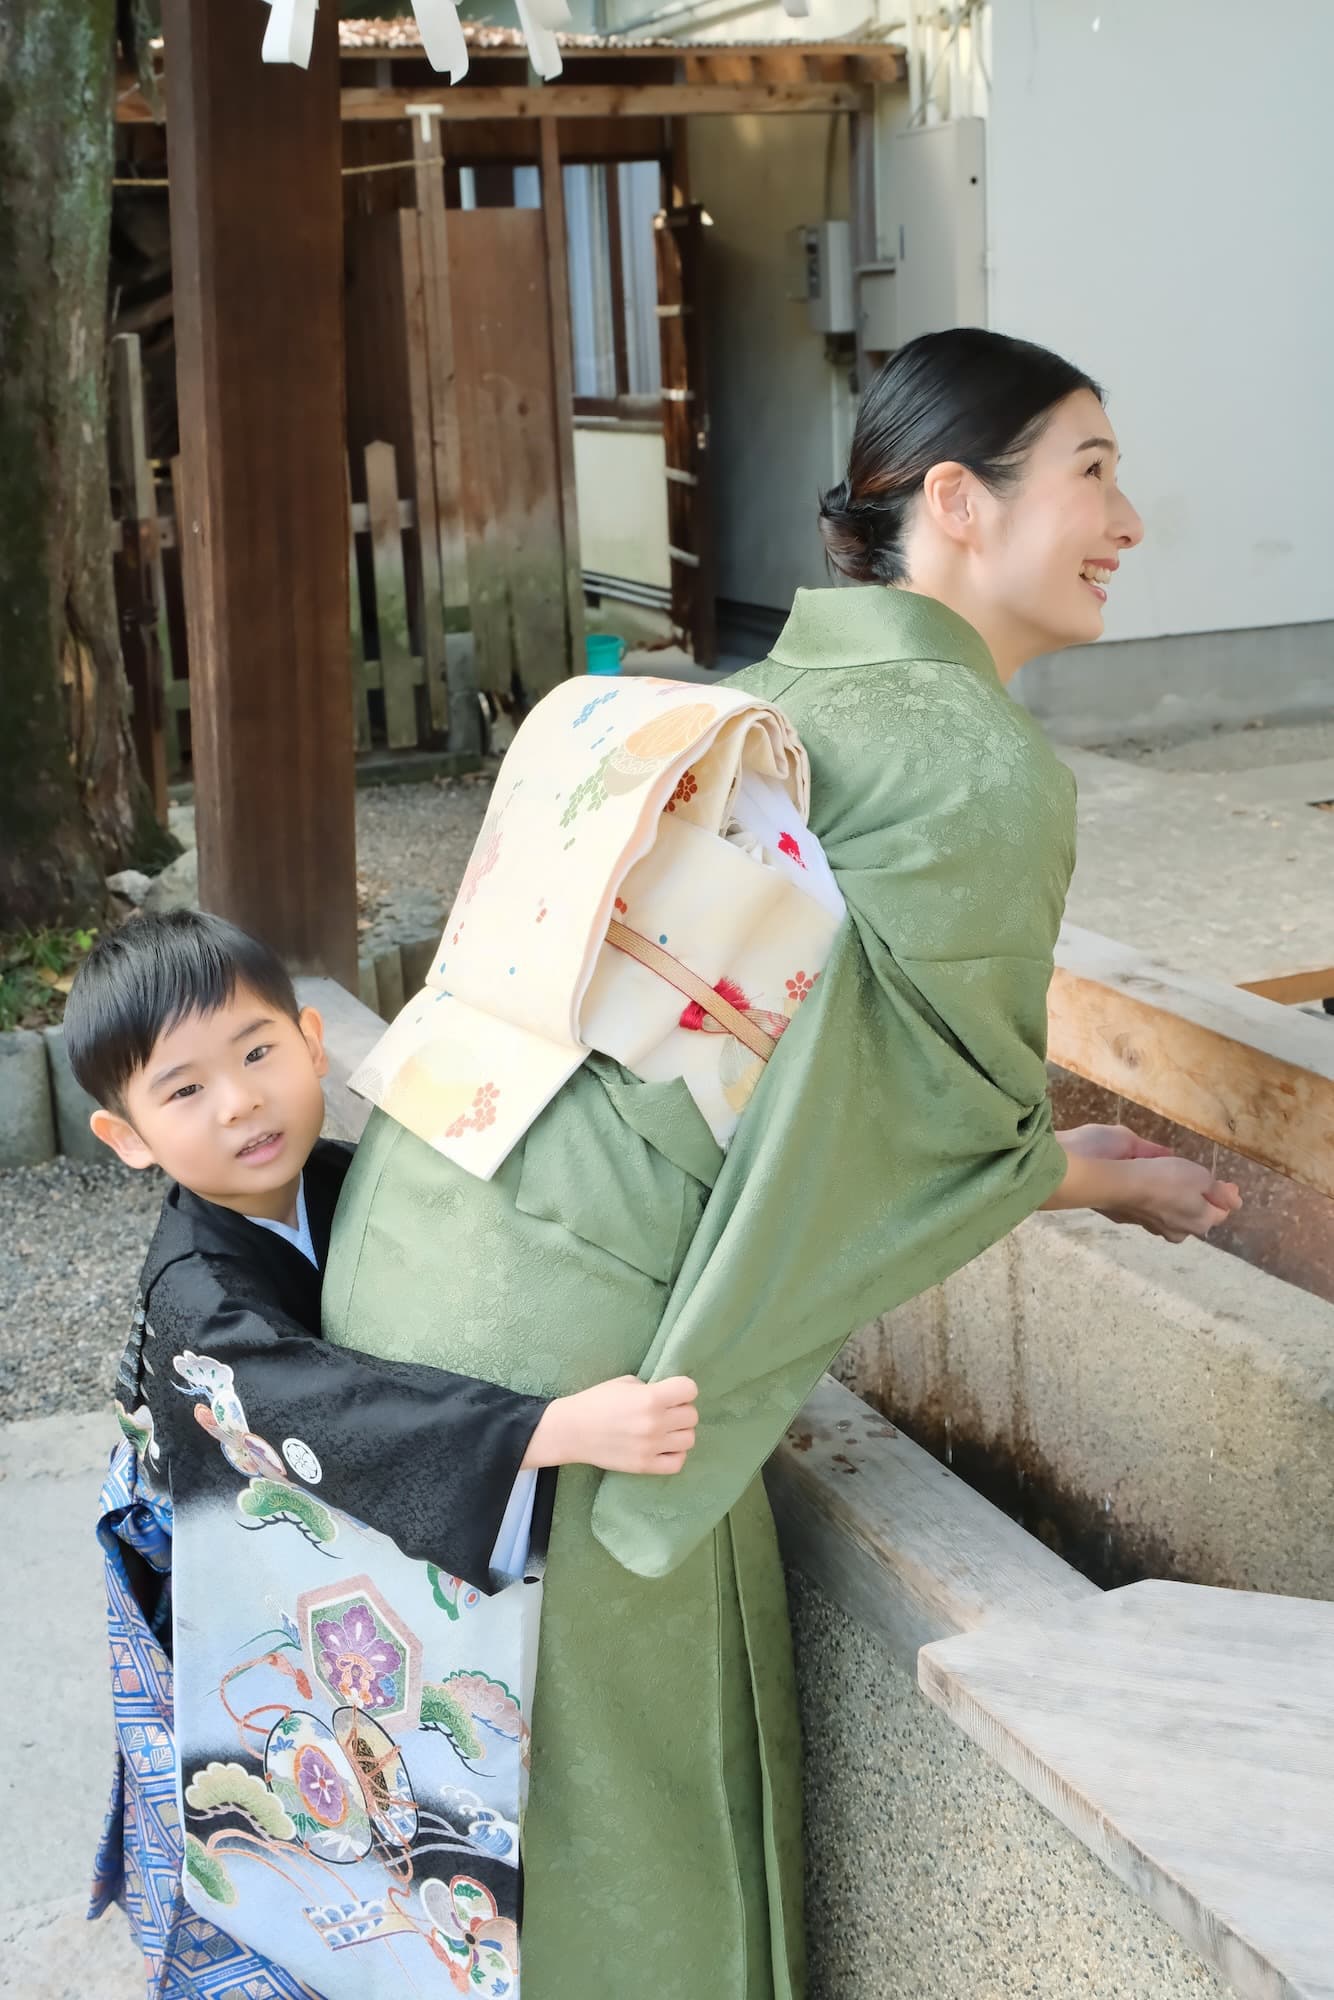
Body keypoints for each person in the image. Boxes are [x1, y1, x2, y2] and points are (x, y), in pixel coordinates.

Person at [320, 328, 1243, 2000]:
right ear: (955, 504)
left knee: (467, 1833)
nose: (1127, 518)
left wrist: (1067, 1170)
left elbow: (806, 1074)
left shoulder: (744, 695)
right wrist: (1062, 1166)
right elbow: (924, 1119)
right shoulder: (973, 760)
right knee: (629, 1843)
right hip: (577, 1357)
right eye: (1090, 469)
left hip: (416, 1259)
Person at [68, 910, 699, 1998]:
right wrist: (549, 1428)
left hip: (317, 1545)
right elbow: (321, 1403)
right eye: (183, 1089)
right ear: (125, 1136)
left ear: (315, 1041)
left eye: (258, 1051)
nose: (241, 1101)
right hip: (211, 1554)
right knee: (276, 1827)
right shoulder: (198, 1289)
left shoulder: (350, 1182)